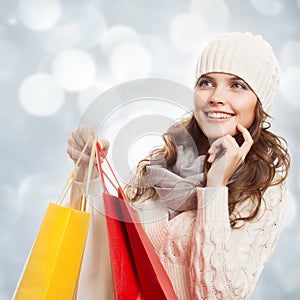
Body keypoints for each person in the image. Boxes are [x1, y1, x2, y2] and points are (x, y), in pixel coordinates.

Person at [67, 32, 290, 299]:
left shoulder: (265, 188)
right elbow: (102, 256)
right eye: (206, 83)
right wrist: (89, 171)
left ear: (259, 103)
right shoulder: (162, 163)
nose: (216, 97)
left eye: (237, 86)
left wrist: (216, 186)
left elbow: (220, 295)